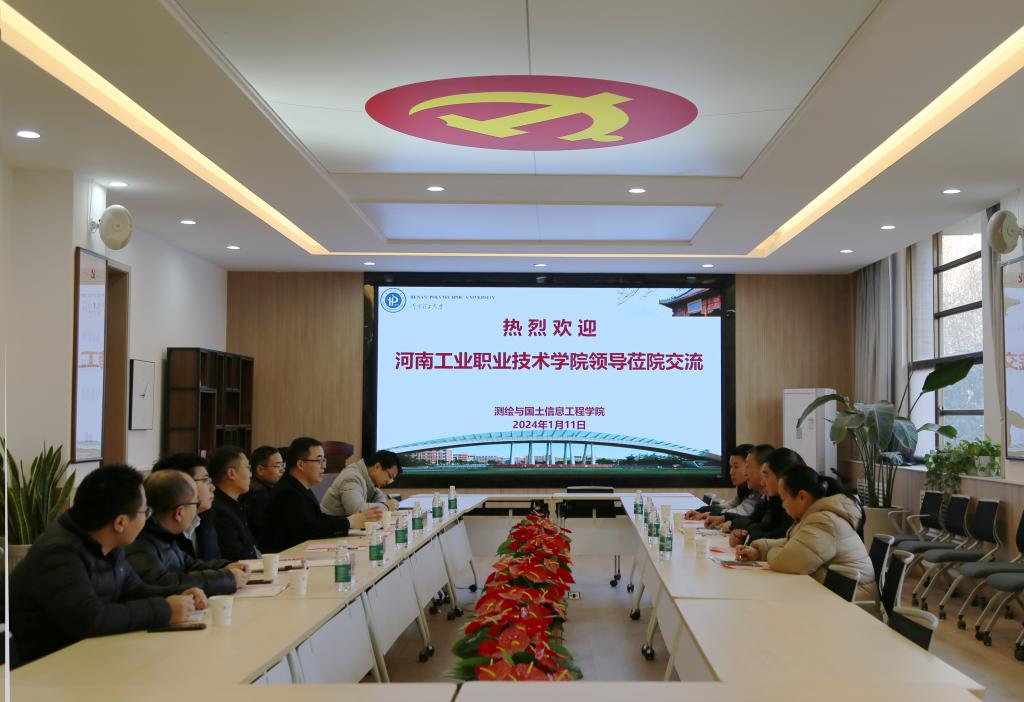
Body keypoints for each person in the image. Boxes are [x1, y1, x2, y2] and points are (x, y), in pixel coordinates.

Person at [9, 465, 206, 667]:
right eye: (145, 512)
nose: (147, 518)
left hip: (93, 658)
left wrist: (180, 594)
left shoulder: (109, 543)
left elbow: (135, 590)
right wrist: (164, 609)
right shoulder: (58, 554)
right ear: (120, 523)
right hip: (46, 669)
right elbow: (92, 620)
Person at [736, 465, 875, 599]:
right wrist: (760, 550)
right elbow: (793, 543)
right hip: (839, 592)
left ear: (802, 496)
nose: (783, 505)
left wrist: (771, 553)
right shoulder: (817, 515)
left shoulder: (824, 521)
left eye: (784, 499)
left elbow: (788, 561)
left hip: (854, 601)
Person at [126, 470, 248, 595]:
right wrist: (226, 578)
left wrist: (226, 567)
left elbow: (189, 564)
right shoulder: (140, 543)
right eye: (196, 504)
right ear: (179, 513)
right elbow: (163, 583)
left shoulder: (162, 535)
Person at [261, 437, 383, 552]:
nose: (324, 466)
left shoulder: (299, 487)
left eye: (324, 460)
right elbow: (307, 530)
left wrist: (353, 519)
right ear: (301, 464)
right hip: (285, 559)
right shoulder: (287, 492)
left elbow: (318, 518)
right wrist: (349, 522)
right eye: (319, 460)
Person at [726, 447, 802, 546]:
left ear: (782, 477)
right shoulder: (773, 498)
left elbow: (781, 537)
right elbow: (760, 525)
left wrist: (747, 537)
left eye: (766, 475)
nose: (762, 482)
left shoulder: (796, 506)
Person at [152, 453, 221, 560]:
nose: (212, 487)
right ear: (183, 485)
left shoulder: (206, 520)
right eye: (205, 480)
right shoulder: (157, 534)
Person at [209, 445, 261, 560]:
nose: (251, 474)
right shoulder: (219, 511)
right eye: (248, 468)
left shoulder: (235, 504)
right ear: (231, 473)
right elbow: (237, 557)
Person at [703, 444, 773, 526]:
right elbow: (751, 521)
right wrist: (706, 511)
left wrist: (717, 516)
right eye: (731, 467)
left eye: (748, 467)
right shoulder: (746, 489)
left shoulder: (764, 495)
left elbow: (743, 514)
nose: (731, 472)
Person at [320, 450, 401, 517]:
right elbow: (356, 510)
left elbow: (380, 497)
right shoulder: (352, 476)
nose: (388, 482)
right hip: (329, 527)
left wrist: (384, 505)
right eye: (390, 476)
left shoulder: (370, 480)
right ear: (377, 467)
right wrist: (386, 506)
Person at [683, 444, 752, 519]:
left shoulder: (757, 492)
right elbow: (729, 506)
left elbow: (741, 512)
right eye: (731, 467)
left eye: (736, 467)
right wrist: (701, 511)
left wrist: (711, 514)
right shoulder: (743, 488)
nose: (731, 472)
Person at [241, 445, 285, 544]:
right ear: (260, 470)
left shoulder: (265, 490)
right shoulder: (257, 496)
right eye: (277, 466)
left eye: (282, 465)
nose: (282, 470)